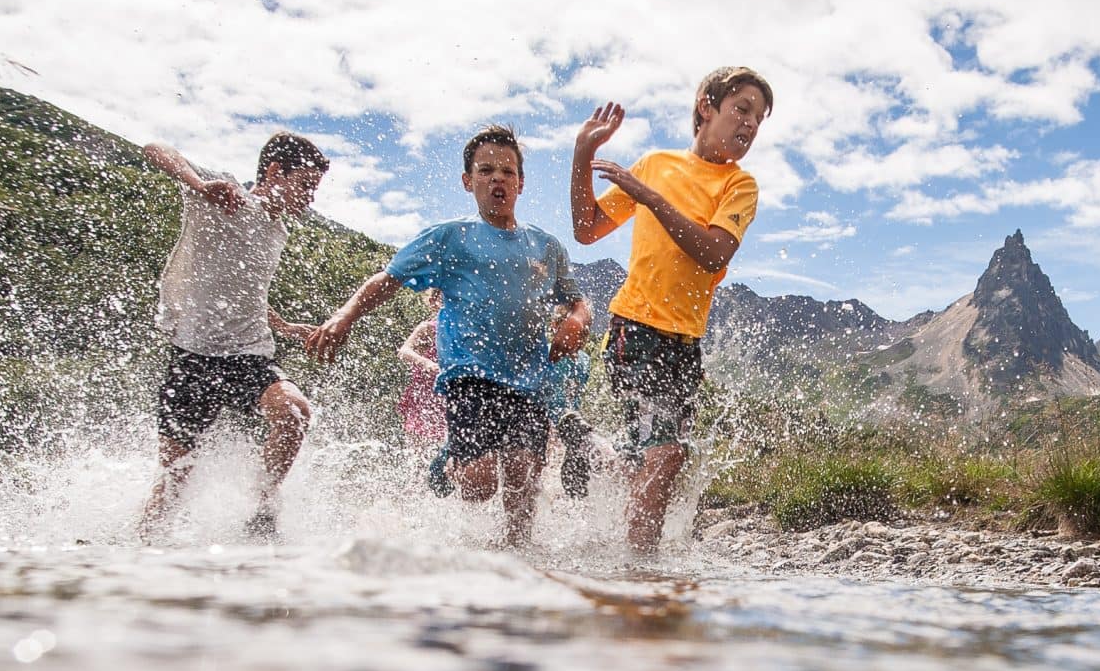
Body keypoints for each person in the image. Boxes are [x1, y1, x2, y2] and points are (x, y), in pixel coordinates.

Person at [309, 124, 589, 548]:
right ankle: (454, 467)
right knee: (479, 486)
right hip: (470, 378)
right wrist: (345, 316)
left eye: (507, 172)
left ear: (521, 183)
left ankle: (519, 560)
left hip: (531, 380)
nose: (497, 179)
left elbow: (576, 300)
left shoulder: (546, 246)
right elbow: (390, 278)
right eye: (486, 171)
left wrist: (576, 320)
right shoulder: (449, 238)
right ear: (467, 181)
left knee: (522, 478)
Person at [569, 65, 771, 553]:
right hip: (634, 328)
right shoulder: (656, 164)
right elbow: (586, 228)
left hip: (685, 345)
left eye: (759, 119)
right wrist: (583, 154)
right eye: (741, 109)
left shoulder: (740, 186)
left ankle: (590, 450)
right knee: (664, 454)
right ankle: (641, 573)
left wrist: (648, 198)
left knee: (657, 457)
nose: (749, 125)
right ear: (707, 106)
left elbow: (714, 252)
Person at [136, 132, 330, 539]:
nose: (309, 198)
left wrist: (283, 325)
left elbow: (244, 290)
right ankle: (137, 548)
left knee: (294, 412)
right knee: (174, 481)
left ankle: (260, 509)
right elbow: (157, 149)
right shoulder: (224, 195)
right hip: (193, 356)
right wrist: (199, 185)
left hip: (249, 354)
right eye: (305, 185)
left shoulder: (277, 232)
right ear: (276, 172)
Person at [395, 293, 453, 495]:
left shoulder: (463, 331)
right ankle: (415, 493)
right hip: (424, 398)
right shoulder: (429, 328)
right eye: (443, 298)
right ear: (432, 302)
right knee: (418, 455)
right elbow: (404, 351)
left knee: (447, 451)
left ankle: (444, 491)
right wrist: (426, 363)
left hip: (449, 400)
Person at [545, 344, 596, 499]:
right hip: (549, 417)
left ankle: (575, 497)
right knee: (549, 461)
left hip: (571, 419)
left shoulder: (585, 359)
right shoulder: (548, 353)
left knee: (580, 457)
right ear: (555, 327)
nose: (580, 338)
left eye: (585, 332)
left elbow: (576, 393)